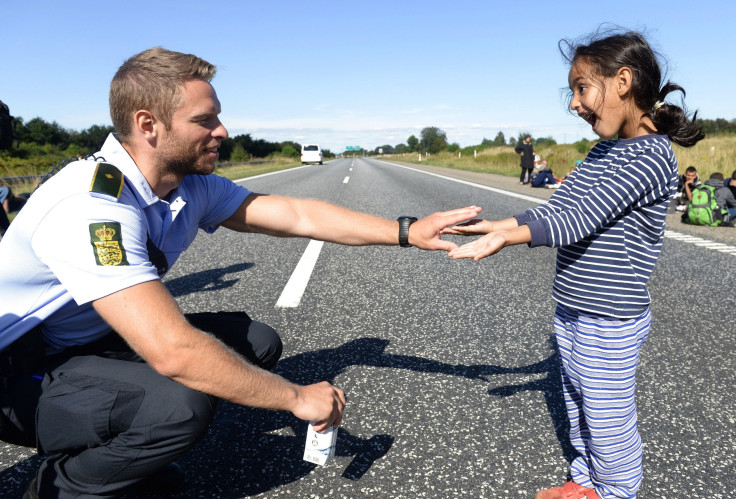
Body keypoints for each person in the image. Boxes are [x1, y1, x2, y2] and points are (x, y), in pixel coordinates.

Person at [0, 47, 482, 498]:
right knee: (177, 404)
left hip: (86, 340)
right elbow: (173, 352)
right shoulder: (93, 206)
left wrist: (407, 230)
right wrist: (296, 398)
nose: (223, 131)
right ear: (148, 124)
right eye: (204, 120)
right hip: (18, 370)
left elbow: (296, 216)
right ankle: (60, 485)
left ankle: (124, 452)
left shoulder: (187, 186)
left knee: (255, 342)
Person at [443, 30, 703, 499]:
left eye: (582, 89)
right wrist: (503, 223)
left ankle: (617, 491)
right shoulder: (603, 151)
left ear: (622, 81)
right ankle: (586, 482)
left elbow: (581, 218)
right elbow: (560, 206)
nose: (574, 105)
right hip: (574, 306)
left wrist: (510, 236)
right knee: (579, 404)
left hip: (611, 316)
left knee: (607, 419)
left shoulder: (651, 156)